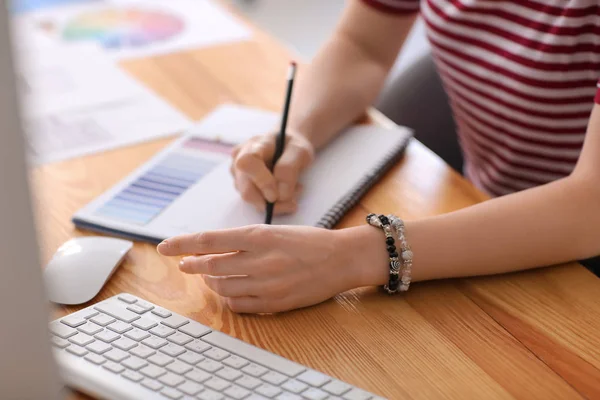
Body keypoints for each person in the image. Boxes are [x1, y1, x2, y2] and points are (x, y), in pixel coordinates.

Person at [157, 0, 600, 313]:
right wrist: (297, 131)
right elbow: (362, 45)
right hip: (482, 205)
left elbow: (591, 208)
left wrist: (354, 257)